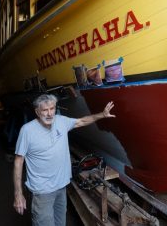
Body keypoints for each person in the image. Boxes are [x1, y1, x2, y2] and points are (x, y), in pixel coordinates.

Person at [13, 94, 116, 226]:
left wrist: (101, 114)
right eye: (45, 110)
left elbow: (81, 121)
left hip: (61, 187)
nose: (50, 113)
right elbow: (18, 161)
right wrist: (18, 194)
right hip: (42, 192)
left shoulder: (61, 121)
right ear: (37, 112)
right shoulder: (27, 131)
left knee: (60, 223)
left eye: (52, 108)